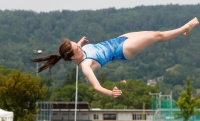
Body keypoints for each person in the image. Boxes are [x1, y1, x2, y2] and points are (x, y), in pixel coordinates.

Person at [31, 17, 199, 98]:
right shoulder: (85, 65)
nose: (79, 46)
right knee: (157, 35)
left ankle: (184, 29)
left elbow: (81, 47)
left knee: (151, 33)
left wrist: (80, 42)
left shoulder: (79, 50)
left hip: (120, 39)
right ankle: (187, 27)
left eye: (77, 44)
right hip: (123, 50)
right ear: (74, 55)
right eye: (77, 47)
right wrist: (110, 93)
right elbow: (96, 86)